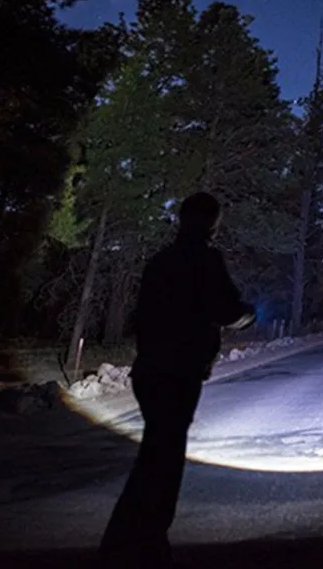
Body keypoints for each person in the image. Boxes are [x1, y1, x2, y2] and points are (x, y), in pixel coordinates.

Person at [99, 192, 255, 567]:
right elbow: (225, 308)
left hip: (150, 370)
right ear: (210, 222)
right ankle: (143, 543)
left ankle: (128, 540)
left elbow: (147, 316)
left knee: (155, 455)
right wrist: (246, 315)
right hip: (178, 372)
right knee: (164, 460)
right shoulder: (205, 258)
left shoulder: (159, 262)